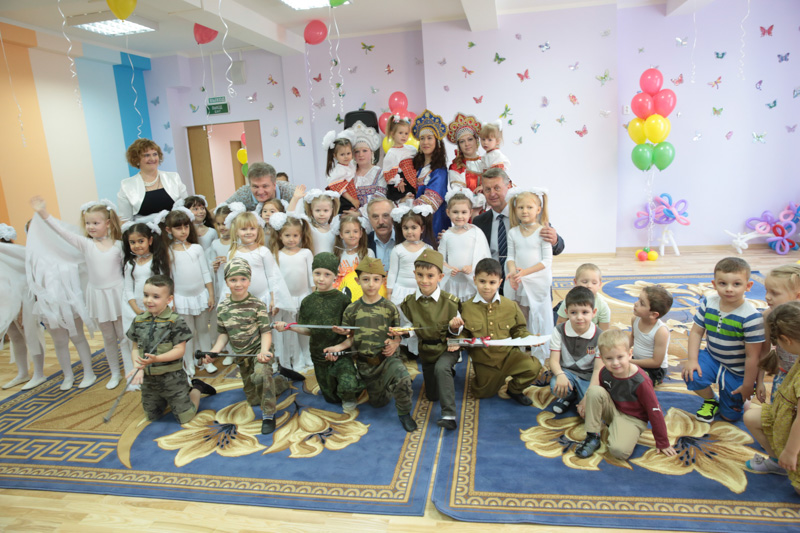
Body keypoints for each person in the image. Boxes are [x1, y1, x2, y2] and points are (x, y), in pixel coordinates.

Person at [30, 196, 132, 390]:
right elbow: (61, 232)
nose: (91, 227)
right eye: (87, 223)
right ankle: (115, 373)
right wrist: (43, 212)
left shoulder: (119, 245)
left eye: (95, 223)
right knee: (108, 337)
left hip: (117, 295)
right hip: (98, 296)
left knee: (124, 336)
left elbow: (127, 271)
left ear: (108, 223)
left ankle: (130, 372)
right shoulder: (86, 244)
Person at [324, 257, 416, 432]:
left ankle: (404, 413)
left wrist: (395, 343)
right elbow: (351, 338)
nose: (371, 284)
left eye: (376, 279)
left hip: (387, 360)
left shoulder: (390, 308)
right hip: (365, 364)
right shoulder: (352, 310)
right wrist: (337, 347)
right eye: (366, 279)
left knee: (403, 377)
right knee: (378, 403)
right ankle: (376, 385)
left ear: (382, 281)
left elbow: (397, 335)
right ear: (358, 281)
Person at [206, 258, 290, 435]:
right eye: (233, 280)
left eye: (243, 279)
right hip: (242, 356)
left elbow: (266, 332)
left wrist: (264, 351)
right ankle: (281, 381)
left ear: (249, 281)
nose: (238, 284)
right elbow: (223, 334)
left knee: (262, 375)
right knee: (253, 399)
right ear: (226, 281)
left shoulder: (257, 305)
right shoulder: (223, 308)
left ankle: (269, 415)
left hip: (260, 350)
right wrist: (214, 351)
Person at [274, 252, 363, 412]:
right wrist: (288, 326)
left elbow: (351, 331)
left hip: (340, 354)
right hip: (319, 355)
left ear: (335, 276)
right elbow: (308, 330)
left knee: (348, 387)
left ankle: (353, 382)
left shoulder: (343, 300)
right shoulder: (307, 302)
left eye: (327, 274)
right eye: (317, 273)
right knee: (331, 397)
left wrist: (344, 332)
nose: (321, 279)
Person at [682, 257, 764, 423]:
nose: (729, 289)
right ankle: (712, 399)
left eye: (736, 284)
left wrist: (748, 384)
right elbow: (696, 332)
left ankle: (741, 400)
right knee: (691, 374)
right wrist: (692, 360)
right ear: (714, 284)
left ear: (748, 286)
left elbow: (753, 356)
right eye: (723, 283)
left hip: (737, 370)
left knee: (730, 417)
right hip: (712, 358)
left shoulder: (751, 317)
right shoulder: (708, 303)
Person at [449, 258, 541, 405]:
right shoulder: (465, 308)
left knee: (534, 366)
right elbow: (465, 333)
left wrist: (530, 338)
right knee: (482, 393)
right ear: (474, 280)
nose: (487, 287)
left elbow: (519, 329)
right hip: (485, 360)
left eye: (492, 282)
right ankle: (490, 378)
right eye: (482, 281)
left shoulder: (510, 306)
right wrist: (457, 340)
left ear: (500, 282)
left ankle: (514, 390)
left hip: (509, 356)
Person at [126, 275, 216, 424]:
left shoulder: (175, 321)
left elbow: (179, 350)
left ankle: (197, 387)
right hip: (149, 381)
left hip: (172, 379)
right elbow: (135, 348)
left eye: (156, 296)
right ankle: (163, 399)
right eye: (146, 295)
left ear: (169, 299)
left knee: (186, 417)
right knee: (152, 417)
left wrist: (157, 359)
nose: (149, 300)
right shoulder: (139, 320)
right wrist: (138, 366)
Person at [574, 329, 676, 460]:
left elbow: (654, 410)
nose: (615, 363)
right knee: (594, 391)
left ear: (629, 354)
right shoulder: (604, 372)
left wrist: (662, 442)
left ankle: (619, 429)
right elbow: (601, 396)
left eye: (620, 357)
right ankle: (593, 435)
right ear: (602, 358)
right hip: (613, 410)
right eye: (609, 358)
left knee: (619, 452)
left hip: (633, 418)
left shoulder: (641, 381)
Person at [24, 213, 96, 390]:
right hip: (48, 305)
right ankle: (68, 375)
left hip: (70, 302)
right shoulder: (32, 256)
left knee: (77, 337)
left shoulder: (64, 250)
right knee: (59, 341)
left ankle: (88, 372)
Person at [394, 250, 461, 430]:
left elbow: (460, 331)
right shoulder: (409, 303)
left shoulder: (451, 302)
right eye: (420, 275)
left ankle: (449, 416)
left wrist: (454, 327)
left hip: (447, 348)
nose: (425, 280)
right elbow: (411, 326)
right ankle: (445, 375)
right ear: (414, 274)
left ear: (440, 277)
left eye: (430, 276)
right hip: (426, 351)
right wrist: (405, 332)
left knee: (442, 367)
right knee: (432, 395)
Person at [743, 301, 800, 491]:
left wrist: (790, 451)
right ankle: (778, 463)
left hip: (796, 428)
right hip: (786, 415)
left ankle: (789, 460)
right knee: (751, 416)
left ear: (786, 340)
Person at [471, 169, 564, 278]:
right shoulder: (479, 222)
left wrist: (554, 240)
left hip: (526, 280)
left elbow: (558, 249)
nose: (492, 194)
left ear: (509, 186)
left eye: (497, 188)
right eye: (487, 189)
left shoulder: (528, 215)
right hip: (493, 282)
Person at [162, 208, 215, 376]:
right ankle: (189, 363)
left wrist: (210, 294)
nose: (183, 231)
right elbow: (168, 278)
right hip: (181, 298)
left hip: (200, 296)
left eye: (186, 227)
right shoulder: (168, 252)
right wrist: (171, 300)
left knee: (203, 330)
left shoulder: (197, 248)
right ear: (169, 230)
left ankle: (206, 360)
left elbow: (205, 272)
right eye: (178, 228)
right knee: (187, 333)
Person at [503, 187, 553, 364]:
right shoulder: (513, 232)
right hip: (518, 279)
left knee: (537, 314)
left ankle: (540, 352)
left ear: (538, 209)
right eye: (521, 207)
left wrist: (525, 272)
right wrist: (512, 272)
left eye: (529, 207)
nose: (525, 211)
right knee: (520, 314)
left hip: (537, 280)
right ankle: (522, 350)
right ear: (515, 209)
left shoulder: (543, 231)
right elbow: (510, 257)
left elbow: (546, 261)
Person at [222, 207, 295, 326]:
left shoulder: (263, 251)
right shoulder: (232, 253)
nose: (248, 232)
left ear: (258, 230)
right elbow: (228, 279)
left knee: (265, 329)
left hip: (262, 300)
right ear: (236, 231)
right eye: (244, 229)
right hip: (241, 302)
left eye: (252, 228)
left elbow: (272, 276)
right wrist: (228, 300)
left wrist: (274, 299)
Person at [122, 220, 171, 387]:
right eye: (132, 242)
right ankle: (138, 376)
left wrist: (157, 308)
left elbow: (164, 287)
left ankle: (162, 374)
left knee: (158, 342)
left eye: (140, 241)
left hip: (156, 308)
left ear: (150, 240)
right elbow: (128, 289)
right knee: (137, 343)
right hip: (135, 309)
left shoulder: (157, 261)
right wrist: (137, 310)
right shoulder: (130, 264)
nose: (137, 245)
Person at [0, 229, 46, 390]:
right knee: (15, 337)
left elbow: (26, 276)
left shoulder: (16, 255)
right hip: (5, 302)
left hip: (21, 300)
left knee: (29, 335)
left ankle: (39, 373)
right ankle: (22, 372)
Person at [268, 213, 314, 373]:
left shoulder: (306, 253)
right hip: (286, 300)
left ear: (301, 235)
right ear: (280, 236)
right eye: (287, 235)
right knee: (289, 331)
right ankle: (291, 359)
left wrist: (315, 295)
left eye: (295, 235)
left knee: (304, 328)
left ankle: (307, 355)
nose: (291, 239)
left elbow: (311, 275)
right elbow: (274, 280)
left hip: (304, 297)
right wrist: (275, 299)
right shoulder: (276, 255)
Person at [387, 206, 434, 357]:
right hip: (401, 291)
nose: (409, 231)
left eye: (414, 227)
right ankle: (403, 348)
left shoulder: (428, 249)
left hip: (420, 291)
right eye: (405, 228)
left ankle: (418, 349)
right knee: (403, 320)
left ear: (422, 229)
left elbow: (433, 273)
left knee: (418, 320)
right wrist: (389, 293)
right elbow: (392, 272)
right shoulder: (398, 249)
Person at [549, 286, 601, 415]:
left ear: (593, 312)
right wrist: (560, 375)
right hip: (567, 372)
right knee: (555, 386)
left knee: (592, 407)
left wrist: (588, 396)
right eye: (573, 312)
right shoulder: (559, 331)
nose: (579, 317)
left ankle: (579, 396)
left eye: (585, 312)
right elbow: (553, 361)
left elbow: (598, 369)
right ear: (566, 312)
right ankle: (569, 397)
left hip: (588, 376)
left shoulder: (600, 336)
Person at [756, 264, 800, 403]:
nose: (767, 297)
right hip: (784, 377)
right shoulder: (768, 316)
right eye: (766, 291)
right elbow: (764, 351)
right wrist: (760, 382)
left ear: (798, 295)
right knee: (780, 411)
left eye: (774, 293)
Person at [118, 138, 188, 222]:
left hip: (175, 228)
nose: (152, 159)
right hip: (144, 230)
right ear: (136, 159)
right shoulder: (127, 185)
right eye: (146, 155)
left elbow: (187, 208)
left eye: (155, 154)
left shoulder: (174, 177)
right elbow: (125, 221)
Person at [438, 189, 490, 302]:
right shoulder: (446, 235)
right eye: (455, 212)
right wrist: (448, 268)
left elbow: (483, 255)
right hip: (452, 283)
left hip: (471, 282)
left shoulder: (476, 233)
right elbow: (440, 259)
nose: (459, 216)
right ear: (448, 212)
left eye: (463, 212)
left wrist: (472, 266)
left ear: (470, 212)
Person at [411, 110, 450, 237]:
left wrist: (407, 206)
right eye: (422, 138)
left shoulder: (440, 170)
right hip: (414, 223)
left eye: (429, 138)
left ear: (437, 141)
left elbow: (431, 201)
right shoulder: (416, 167)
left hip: (433, 222)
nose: (425, 142)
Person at [630, 285, 673, 385]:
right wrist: (620, 351)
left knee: (634, 380)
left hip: (654, 370)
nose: (636, 303)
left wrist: (630, 362)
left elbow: (656, 362)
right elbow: (632, 337)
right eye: (638, 299)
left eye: (642, 303)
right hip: (636, 361)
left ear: (653, 314)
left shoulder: (661, 331)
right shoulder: (635, 319)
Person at [556, 263, 611, 331]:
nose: (589, 286)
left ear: (599, 285)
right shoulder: (568, 300)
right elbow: (560, 323)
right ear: (575, 282)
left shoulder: (602, 306)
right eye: (584, 282)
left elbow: (604, 331)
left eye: (594, 283)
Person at [223, 162, 297, 211]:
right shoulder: (243, 193)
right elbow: (221, 210)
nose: (260, 192)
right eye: (255, 186)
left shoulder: (291, 192)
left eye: (265, 186)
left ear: (274, 185)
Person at [332, 213, 374, 293]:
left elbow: (372, 276)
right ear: (341, 234)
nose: (352, 235)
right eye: (347, 232)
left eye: (355, 231)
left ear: (360, 233)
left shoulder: (368, 253)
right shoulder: (338, 254)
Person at [347, 121, 386, 207]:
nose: (361, 154)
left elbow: (379, 199)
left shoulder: (379, 173)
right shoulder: (349, 174)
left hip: (373, 213)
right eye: (357, 151)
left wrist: (360, 212)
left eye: (364, 150)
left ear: (371, 152)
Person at [446, 113, 484, 195]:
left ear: (476, 140)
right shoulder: (456, 167)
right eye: (462, 141)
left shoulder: (487, 162)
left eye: (470, 139)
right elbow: (459, 194)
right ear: (459, 146)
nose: (467, 144)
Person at [382, 116, 418, 203]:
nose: (404, 136)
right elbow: (389, 172)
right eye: (400, 133)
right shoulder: (392, 153)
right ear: (393, 134)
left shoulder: (411, 149)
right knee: (406, 199)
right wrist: (397, 181)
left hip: (413, 178)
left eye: (406, 133)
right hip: (402, 180)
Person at [323, 130, 360, 213]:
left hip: (351, 197)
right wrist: (352, 200)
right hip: (344, 199)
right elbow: (340, 189)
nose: (346, 157)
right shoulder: (339, 170)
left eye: (348, 153)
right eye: (342, 154)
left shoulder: (351, 164)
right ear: (335, 156)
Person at [299, 189, 340, 255]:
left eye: (325, 210)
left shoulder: (335, 228)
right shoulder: (309, 226)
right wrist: (295, 198)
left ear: (331, 210)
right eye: (317, 210)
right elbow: (292, 217)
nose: (321, 214)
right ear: (311, 210)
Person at [366, 197, 396, 271]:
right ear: (369, 219)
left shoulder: (405, 240)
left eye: (385, 216)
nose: (381, 222)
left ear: (394, 217)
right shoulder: (364, 243)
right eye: (375, 217)